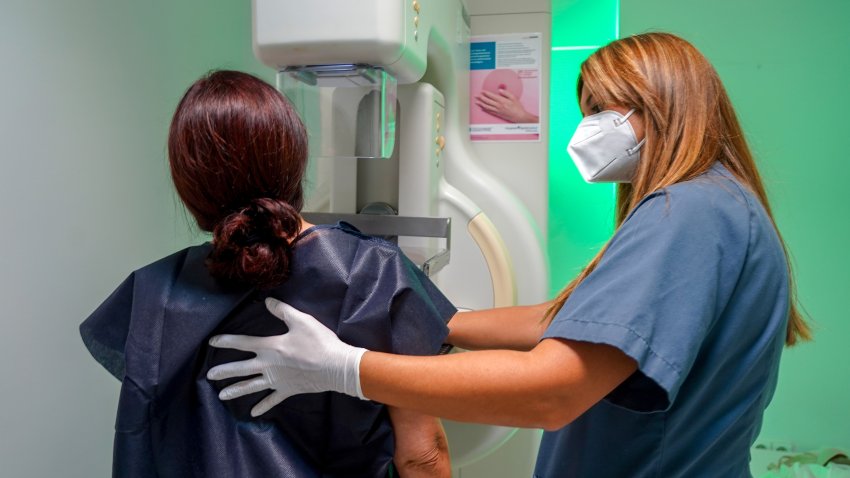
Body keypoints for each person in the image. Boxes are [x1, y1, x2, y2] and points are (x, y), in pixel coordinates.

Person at [205, 33, 812, 477]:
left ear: (660, 105)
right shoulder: (724, 208)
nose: (589, 128)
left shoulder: (687, 214)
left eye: (602, 110)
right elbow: (574, 321)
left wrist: (346, 367)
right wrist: (429, 320)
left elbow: (550, 391)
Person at [79, 70, 454, 478]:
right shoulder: (371, 274)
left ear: (188, 183)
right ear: (294, 159)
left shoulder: (151, 293)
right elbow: (422, 456)